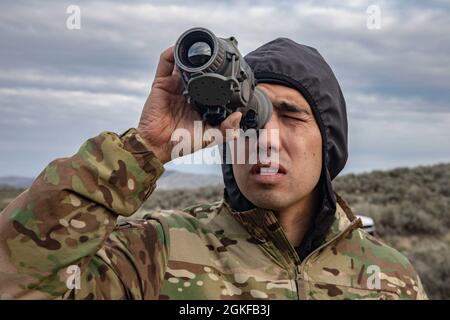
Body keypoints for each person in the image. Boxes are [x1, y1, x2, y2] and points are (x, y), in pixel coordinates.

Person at [0, 38, 427, 300]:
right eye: (253, 118)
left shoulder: (389, 277)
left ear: (329, 141)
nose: (266, 137)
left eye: (292, 116)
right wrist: (146, 147)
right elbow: (17, 284)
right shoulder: (157, 252)